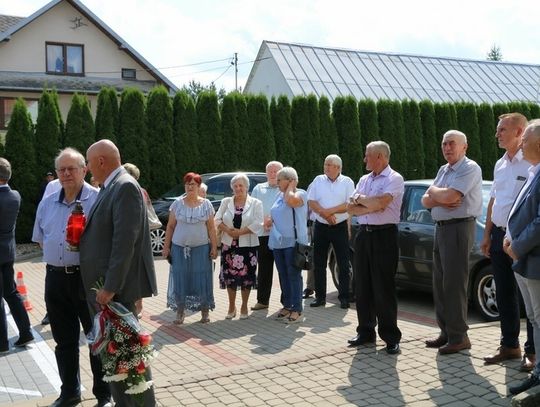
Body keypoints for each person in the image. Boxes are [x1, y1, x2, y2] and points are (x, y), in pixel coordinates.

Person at [80, 139, 157, 407]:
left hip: (115, 293)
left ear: (101, 161)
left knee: (129, 357)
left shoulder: (123, 186)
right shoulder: (110, 186)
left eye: (89, 163)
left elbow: (125, 243)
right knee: (115, 358)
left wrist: (110, 286)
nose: (88, 169)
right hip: (107, 293)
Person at [32, 148, 111, 407]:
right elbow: (42, 240)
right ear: (56, 173)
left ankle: (104, 395)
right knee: (63, 341)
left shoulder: (98, 199)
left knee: (95, 339)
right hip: (55, 279)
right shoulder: (47, 202)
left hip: (86, 280)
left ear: (84, 170)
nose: (66, 174)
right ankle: (70, 392)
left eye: (72, 168)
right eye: (61, 170)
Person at [481, 113, 536, 369]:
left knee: (530, 299)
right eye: (497, 129)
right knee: (504, 293)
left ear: (520, 132)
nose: (497, 134)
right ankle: (509, 345)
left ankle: (532, 352)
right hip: (498, 236)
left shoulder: (532, 163)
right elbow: (494, 200)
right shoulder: (500, 164)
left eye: (503, 129)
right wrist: (487, 233)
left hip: (523, 242)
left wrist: (518, 242)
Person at [422, 130, 482, 355]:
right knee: (439, 283)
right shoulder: (443, 170)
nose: (447, 148)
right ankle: (446, 332)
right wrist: (438, 195)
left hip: (459, 228)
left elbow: (449, 198)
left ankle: (459, 337)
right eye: (444, 144)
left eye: (452, 144)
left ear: (464, 147)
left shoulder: (470, 168)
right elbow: (425, 200)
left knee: (454, 284)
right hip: (441, 230)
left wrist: (435, 193)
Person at [346, 141, 403, 355]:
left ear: (379, 157)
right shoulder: (363, 179)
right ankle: (365, 331)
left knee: (384, 287)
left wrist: (364, 201)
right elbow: (350, 208)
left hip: (385, 235)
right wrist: (367, 203)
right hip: (364, 235)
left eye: (367, 156)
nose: (364, 160)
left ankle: (390, 337)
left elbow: (381, 204)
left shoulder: (394, 178)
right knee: (362, 285)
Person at [504, 119, 540, 395]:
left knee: (539, 318)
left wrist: (517, 245)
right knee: (534, 318)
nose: (521, 143)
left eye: (525, 139)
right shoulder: (533, 171)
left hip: (534, 260)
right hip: (525, 260)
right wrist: (509, 237)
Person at [162, 172, 217, 324]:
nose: (189, 187)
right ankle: (180, 312)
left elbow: (212, 228)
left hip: (201, 249)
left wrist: (214, 247)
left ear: (199, 187)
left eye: (193, 184)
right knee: (180, 278)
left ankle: (205, 311)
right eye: (187, 184)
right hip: (179, 248)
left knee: (202, 278)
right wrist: (166, 247)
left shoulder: (206, 205)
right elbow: (170, 227)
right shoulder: (177, 204)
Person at [308, 154, 355, 309]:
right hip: (321, 226)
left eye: (329, 164)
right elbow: (311, 201)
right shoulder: (318, 180)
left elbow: (349, 203)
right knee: (319, 262)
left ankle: (344, 297)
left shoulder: (347, 181)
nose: (325, 167)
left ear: (338, 167)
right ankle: (320, 297)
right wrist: (324, 215)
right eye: (325, 164)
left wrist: (329, 212)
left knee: (343, 262)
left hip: (339, 227)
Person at [215, 173, 263, 320]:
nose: (238, 188)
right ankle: (231, 306)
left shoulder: (256, 203)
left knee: (246, 277)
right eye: (235, 186)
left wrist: (241, 232)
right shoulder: (225, 202)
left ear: (247, 187)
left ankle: (244, 306)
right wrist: (228, 230)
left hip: (247, 246)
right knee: (229, 277)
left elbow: (258, 222)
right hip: (229, 245)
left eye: (241, 185)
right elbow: (217, 219)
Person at [0, 157, 34, 354]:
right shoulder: (15, 196)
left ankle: (2, 343)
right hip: (8, 252)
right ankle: (26, 332)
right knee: (11, 292)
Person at [268, 167, 308, 323]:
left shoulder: (300, 194)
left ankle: (297, 309)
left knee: (293, 275)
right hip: (278, 242)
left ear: (290, 180)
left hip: (293, 242)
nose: (277, 183)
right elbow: (276, 213)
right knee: (283, 275)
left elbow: (291, 201)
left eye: (280, 180)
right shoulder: (280, 195)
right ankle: (287, 305)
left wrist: (291, 186)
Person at [251, 161, 283, 311]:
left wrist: (273, 220)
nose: (273, 173)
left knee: (283, 269)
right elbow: (252, 207)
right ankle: (262, 301)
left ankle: (286, 302)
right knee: (264, 269)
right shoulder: (258, 188)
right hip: (263, 235)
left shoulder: (284, 189)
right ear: (266, 173)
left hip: (280, 235)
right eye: (270, 171)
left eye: (276, 171)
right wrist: (261, 221)